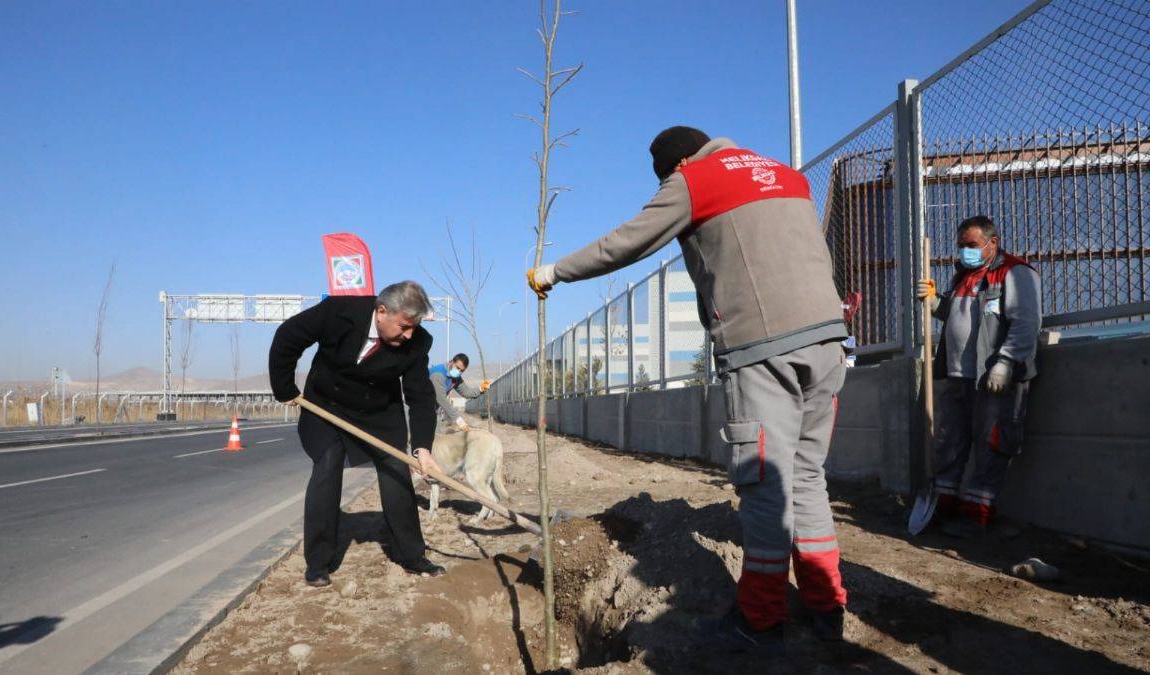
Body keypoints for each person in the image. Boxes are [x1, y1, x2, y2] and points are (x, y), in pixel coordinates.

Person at [527, 126, 849, 651]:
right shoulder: (787, 177)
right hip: (828, 341)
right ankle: (826, 606)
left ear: (673, 166)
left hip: (763, 348)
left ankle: (761, 620)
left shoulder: (694, 178)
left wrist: (554, 272)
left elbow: (625, 243)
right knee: (808, 478)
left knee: (764, 488)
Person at [269, 281, 445, 586]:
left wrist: (422, 448)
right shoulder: (340, 311)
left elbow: (419, 397)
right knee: (328, 464)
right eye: (404, 327)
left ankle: (412, 555)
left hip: (379, 414)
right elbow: (289, 336)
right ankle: (319, 562)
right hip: (326, 406)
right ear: (381, 312)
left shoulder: (417, 343)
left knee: (395, 472)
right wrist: (284, 388)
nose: (409, 335)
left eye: (414, 328)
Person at [917, 215, 1041, 538]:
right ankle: (943, 504)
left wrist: (1005, 362)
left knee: (992, 443)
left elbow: (1026, 322)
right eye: (961, 246)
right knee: (949, 441)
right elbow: (956, 315)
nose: (964, 252)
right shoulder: (962, 277)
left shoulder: (1015, 273)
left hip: (993, 378)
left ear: (992, 243)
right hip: (959, 376)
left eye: (971, 245)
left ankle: (977, 515)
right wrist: (935, 302)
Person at [429, 353, 490, 432]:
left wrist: (481, 389)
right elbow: (441, 399)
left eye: (462, 370)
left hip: (431, 409)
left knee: (433, 438)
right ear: (451, 362)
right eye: (457, 368)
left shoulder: (455, 377)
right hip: (416, 406)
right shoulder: (438, 374)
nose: (459, 372)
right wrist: (459, 420)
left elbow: (466, 392)